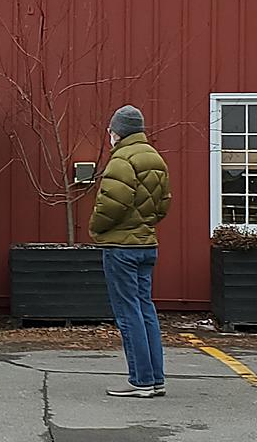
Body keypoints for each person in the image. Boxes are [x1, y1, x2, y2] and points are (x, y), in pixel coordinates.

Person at [89, 105, 172, 399]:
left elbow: (112, 204)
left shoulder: (121, 160)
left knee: (128, 313)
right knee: (145, 309)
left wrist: (96, 228)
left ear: (117, 131)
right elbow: (162, 205)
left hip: (120, 247)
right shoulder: (156, 159)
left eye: (111, 131)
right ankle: (155, 378)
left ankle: (140, 380)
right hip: (147, 245)